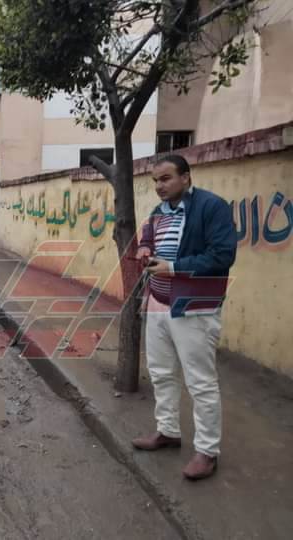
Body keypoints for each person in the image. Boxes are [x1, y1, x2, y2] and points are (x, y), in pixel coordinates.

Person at [133, 154, 237, 480]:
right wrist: (144, 249)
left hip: (194, 308)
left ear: (186, 177)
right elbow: (148, 237)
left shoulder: (211, 207)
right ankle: (168, 431)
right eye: (155, 180)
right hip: (158, 302)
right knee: (161, 373)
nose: (159, 186)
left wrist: (174, 267)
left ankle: (207, 451)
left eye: (165, 178)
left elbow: (222, 256)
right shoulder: (158, 212)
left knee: (200, 382)